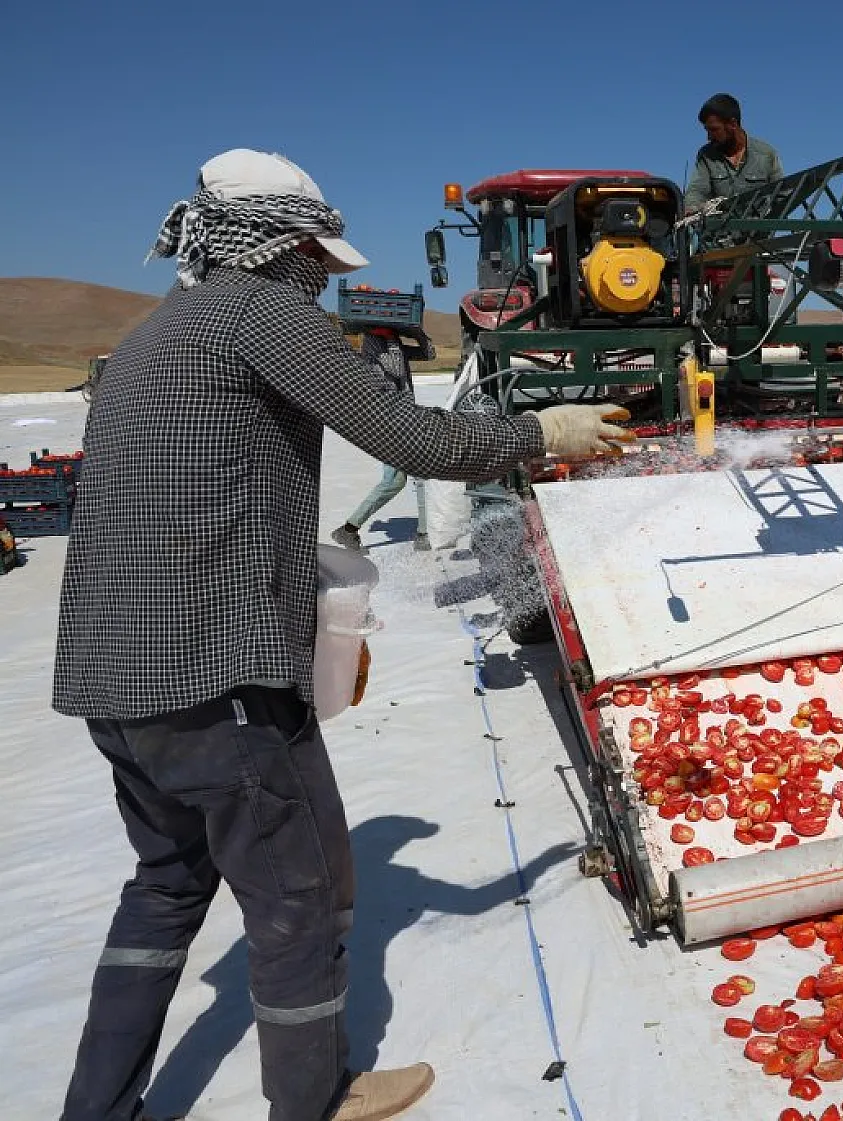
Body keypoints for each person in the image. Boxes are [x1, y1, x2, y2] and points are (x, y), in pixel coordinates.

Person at [52, 148, 633, 1121]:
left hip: (118, 676)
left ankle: (95, 1106)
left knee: (162, 889)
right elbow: (416, 440)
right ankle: (314, 1099)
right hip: (212, 676)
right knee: (295, 905)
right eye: (314, 252)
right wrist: (546, 435)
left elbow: (187, 490)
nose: (324, 273)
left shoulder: (155, 335)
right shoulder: (257, 311)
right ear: (276, 243)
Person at [331, 324, 437, 553]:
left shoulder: (392, 343)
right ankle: (349, 529)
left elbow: (429, 354)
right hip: (386, 422)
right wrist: (390, 338)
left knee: (413, 475)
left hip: (404, 419)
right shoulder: (372, 343)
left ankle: (423, 532)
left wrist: (419, 335)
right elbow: (396, 368)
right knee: (395, 481)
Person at [682, 92, 783, 214]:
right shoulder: (706, 155)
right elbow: (697, 190)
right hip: (718, 232)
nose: (709, 137)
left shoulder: (766, 154)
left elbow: (782, 197)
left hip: (758, 231)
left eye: (714, 129)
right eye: (707, 130)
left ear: (732, 124)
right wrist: (690, 208)